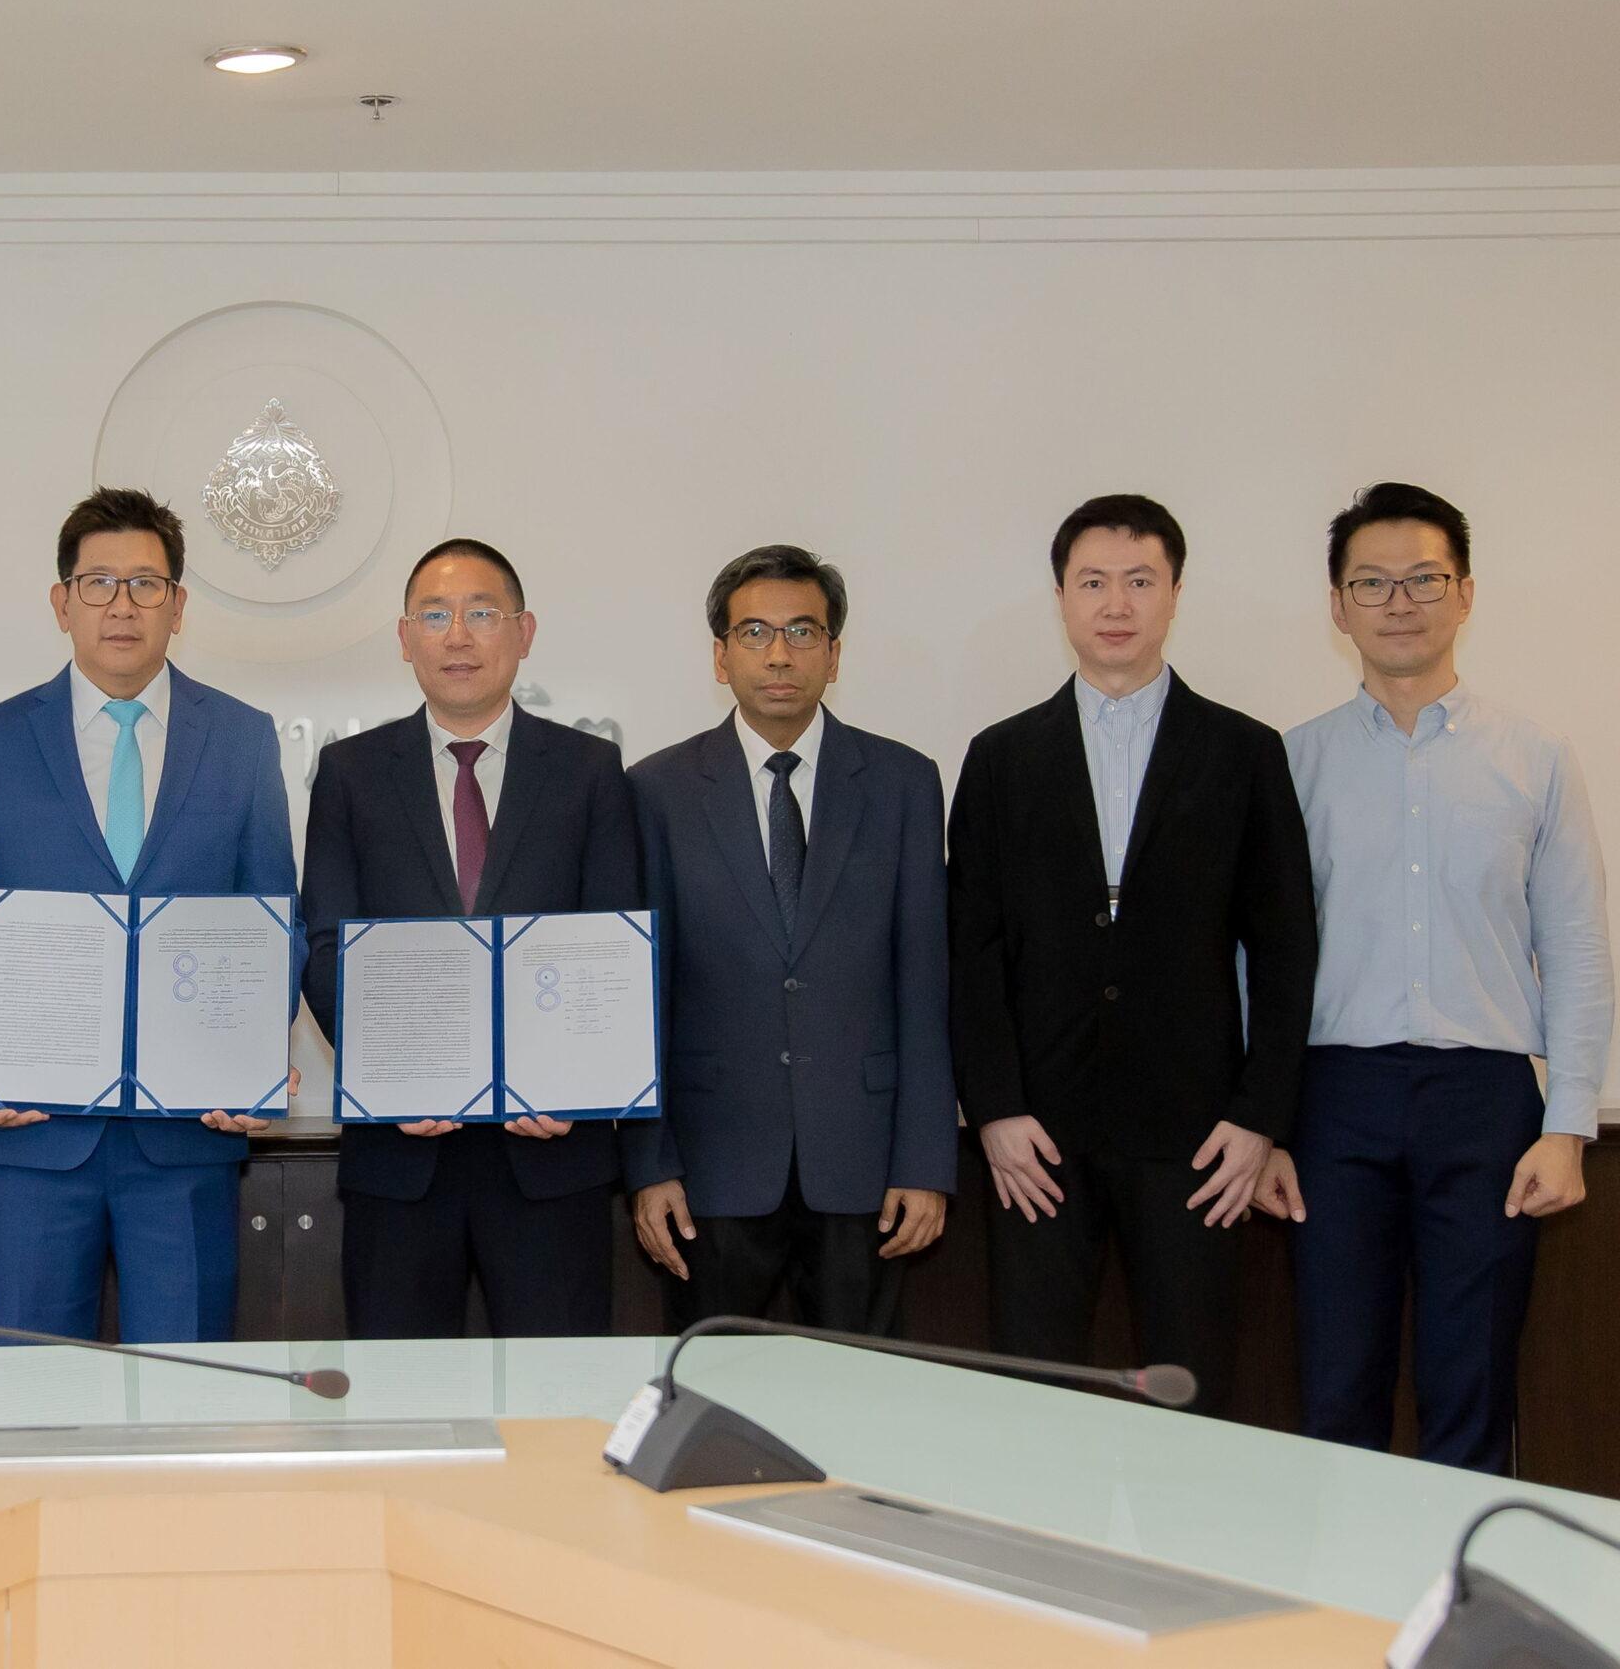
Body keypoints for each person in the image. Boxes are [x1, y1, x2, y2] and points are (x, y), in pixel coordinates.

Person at [948, 493, 1316, 1414]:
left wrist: (1259, 1116)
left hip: (1199, 1137)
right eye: (1094, 582)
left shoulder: (1244, 751)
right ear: (1061, 599)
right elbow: (972, 951)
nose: (1117, 604)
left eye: (1141, 581)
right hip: (1036, 1138)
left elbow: (1285, 948)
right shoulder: (1000, 758)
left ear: (1176, 594)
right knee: (1034, 1394)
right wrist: (994, 1107)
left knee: (1195, 1395)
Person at [0, 488, 297, 1342]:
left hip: (187, 1136)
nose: (123, 605)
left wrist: (255, 1049)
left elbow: (273, 924)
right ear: (62, 603)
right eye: (99, 584)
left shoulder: (242, 739)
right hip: (33, 1133)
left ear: (178, 607)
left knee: (189, 1386)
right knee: (34, 1390)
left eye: (146, 585)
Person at [1274, 483, 1611, 1472]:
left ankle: (1462, 1574)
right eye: (1370, 583)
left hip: (1486, 1099)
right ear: (1337, 606)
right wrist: (1264, 1122)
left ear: (1464, 592)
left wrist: (1568, 1125)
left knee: (1473, 1387)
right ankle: (1341, 1573)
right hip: (1333, 1097)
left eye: (1423, 579)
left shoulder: (1534, 756)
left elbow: (1577, 945)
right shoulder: (1293, 762)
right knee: (1337, 1386)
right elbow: (1258, 956)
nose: (1399, 602)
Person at [300, 538, 638, 1338]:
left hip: (552, 1153)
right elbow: (325, 949)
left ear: (524, 632)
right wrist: (394, 1076)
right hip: (401, 1158)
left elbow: (617, 950)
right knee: (401, 1396)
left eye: (482, 614)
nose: (458, 636)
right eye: (435, 616)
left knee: (560, 1393)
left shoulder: (590, 771)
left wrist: (576, 1083)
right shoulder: (350, 773)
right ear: (404, 638)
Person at [623, 545, 955, 1336]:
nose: (779, 654)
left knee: (858, 1392)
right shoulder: (656, 791)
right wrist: (649, 1164)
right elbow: (639, 996)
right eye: (755, 633)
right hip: (711, 1168)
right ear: (721, 656)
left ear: (834, 655)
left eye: (803, 632)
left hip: (864, 1166)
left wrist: (925, 1162)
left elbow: (924, 984)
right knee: (712, 1390)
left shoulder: (904, 783)